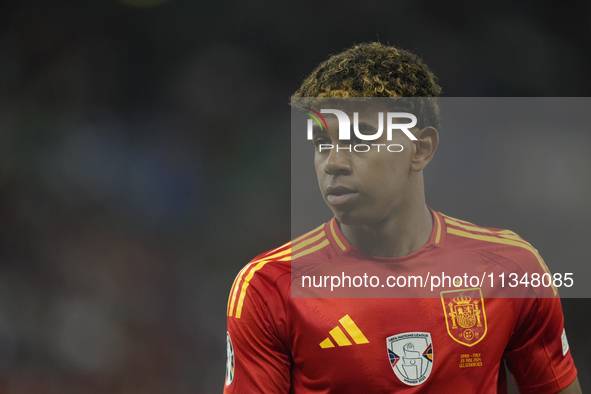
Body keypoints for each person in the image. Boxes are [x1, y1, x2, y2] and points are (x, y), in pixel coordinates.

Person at [224, 42, 581, 393]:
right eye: (322, 142)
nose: (333, 162)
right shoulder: (268, 287)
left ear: (420, 149)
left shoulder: (511, 268)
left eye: (361, 139)